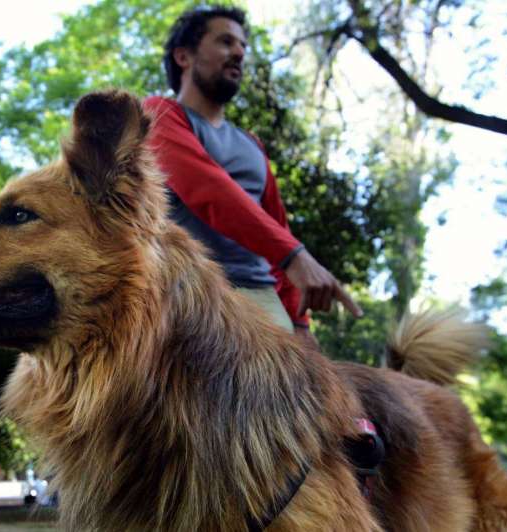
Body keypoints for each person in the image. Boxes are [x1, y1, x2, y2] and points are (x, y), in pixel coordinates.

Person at [143, 5, 362, 343]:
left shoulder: (252, 145)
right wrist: (295, 257)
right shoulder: (159, 113)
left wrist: (299, 322)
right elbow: (207, 189)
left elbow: (276, 225)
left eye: (243, 46)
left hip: (262, 298)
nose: (239, 53)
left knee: (298, 392)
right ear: (184, 57)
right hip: (187, 293)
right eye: (226, 42)